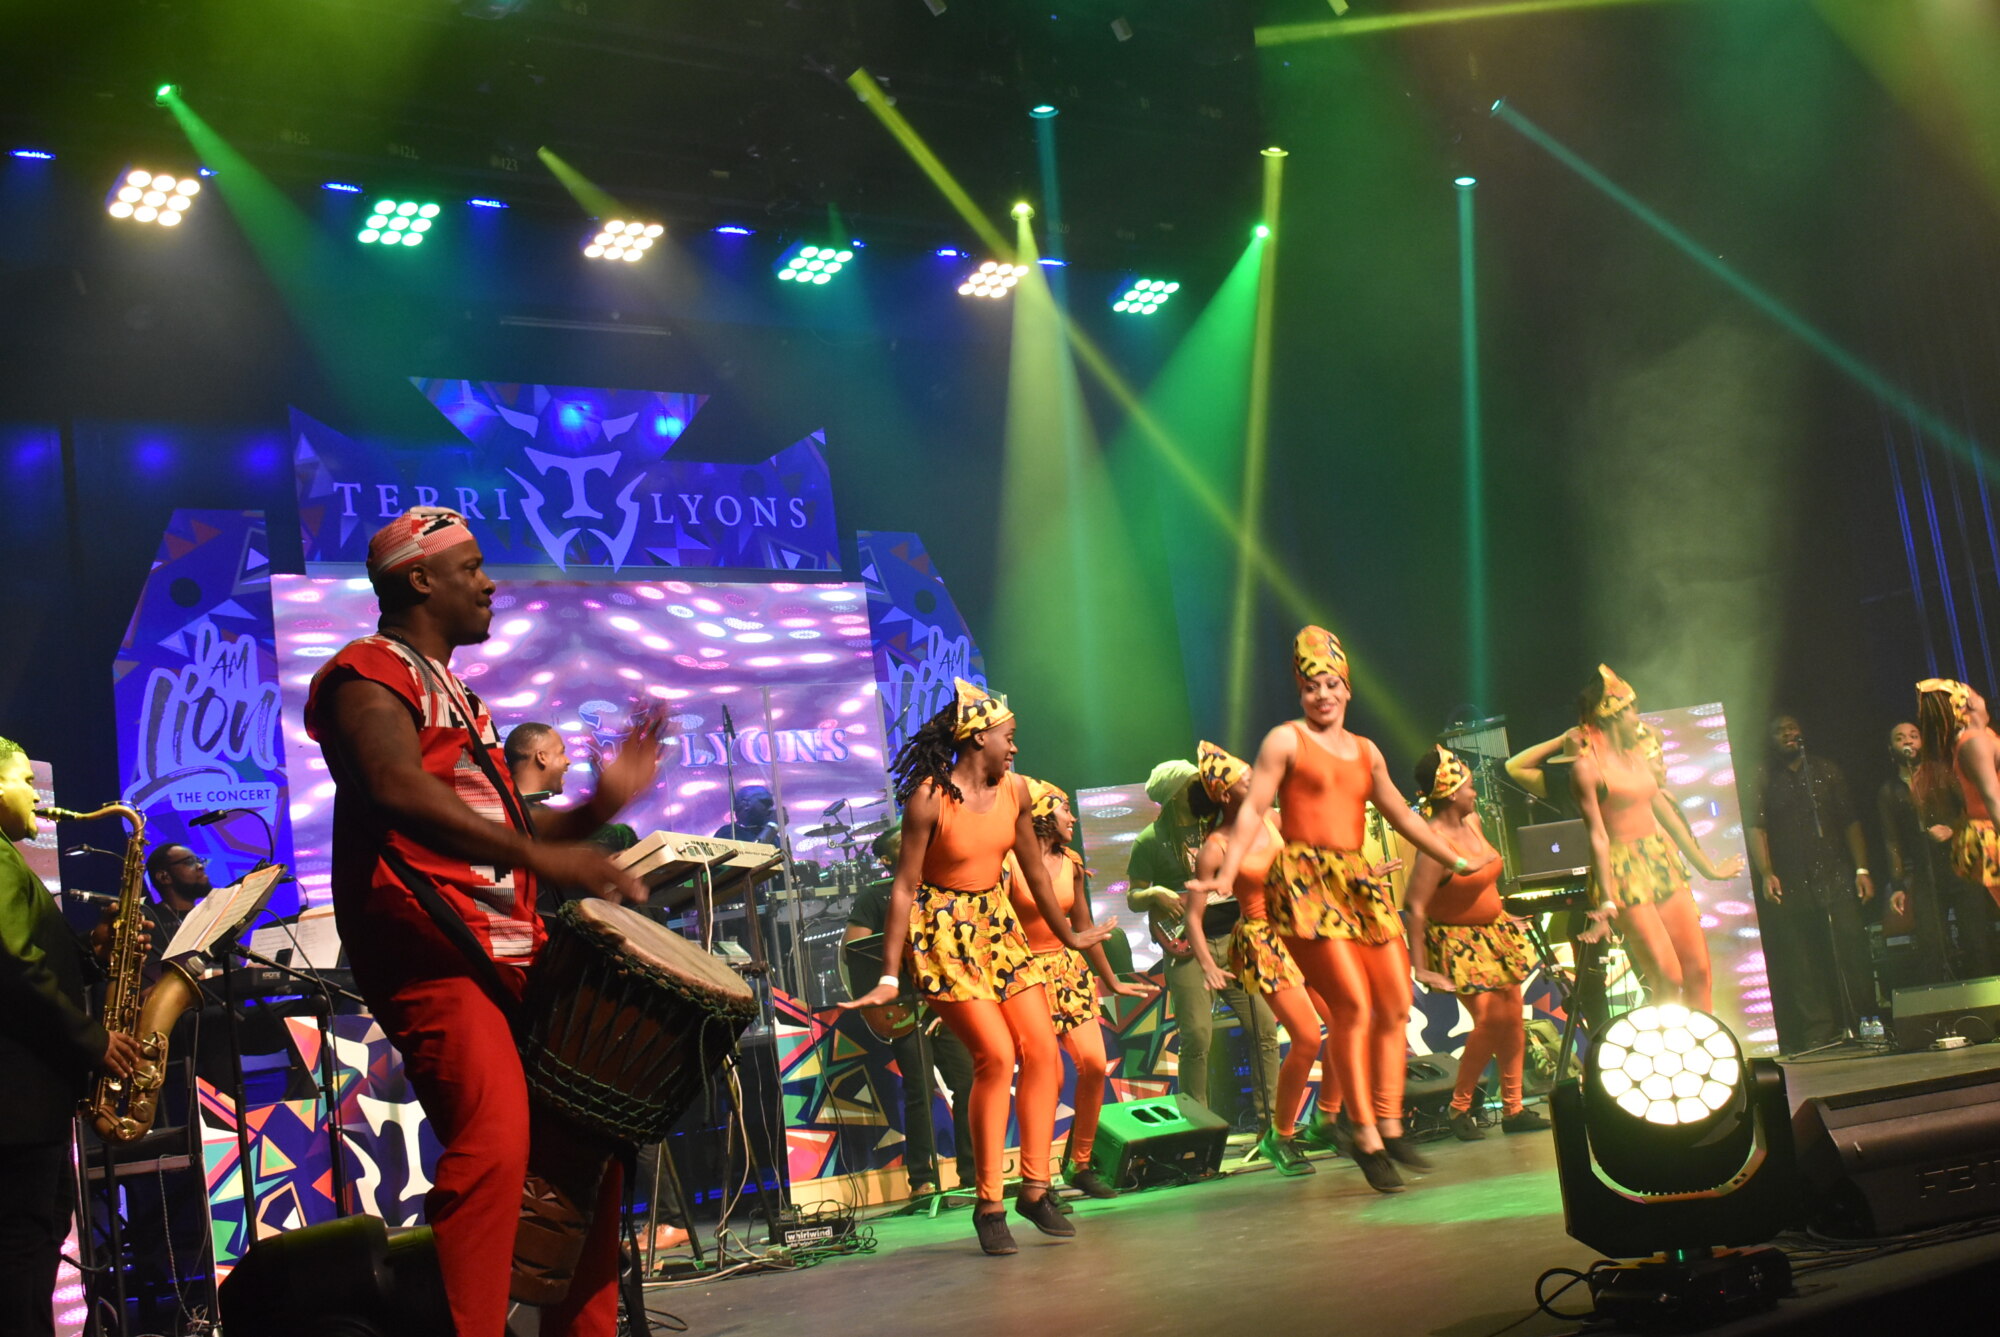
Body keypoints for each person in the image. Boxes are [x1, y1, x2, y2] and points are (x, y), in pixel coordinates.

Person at [303, 507, 663, 1337]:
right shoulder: (367, 670)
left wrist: (599, 807)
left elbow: (511, 820)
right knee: (496, 1145)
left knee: (587, 1150)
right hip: (433, 950)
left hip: (503, 949)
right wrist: (544, 860)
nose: (489, 581)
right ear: (419, 579)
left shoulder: (461, 698)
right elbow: (394, 785)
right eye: (470, 567)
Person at [1191, 626, 1493, 1194]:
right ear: (1300, 693)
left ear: (1347, 688)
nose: (1322, 694)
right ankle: (1364, 1135)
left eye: (1330, 684)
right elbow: (1254, 809)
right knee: (1351, 1007)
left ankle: (1389, 1123)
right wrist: (1226, 874)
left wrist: (1451, 856)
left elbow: (1400, 813)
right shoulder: (1285, 741)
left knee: (1396, 1003)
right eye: (1311, 686)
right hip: (1305, 882)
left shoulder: (1366, 750)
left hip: (1355, 880)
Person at [837, 679, 1116, 1256]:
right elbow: (904, 887)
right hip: (944, 934)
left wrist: (1070, 935)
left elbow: (1035, 875)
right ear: (977, 737)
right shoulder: (929, 798)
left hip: (999, 928)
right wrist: (888, 975)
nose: (1015, 747)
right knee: (996, 1055)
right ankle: (989, 1203)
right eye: (1008, 737)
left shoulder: (1016, 791)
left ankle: (1035, 1188)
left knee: (1044, 1053)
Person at [0, 735, 143, 1337]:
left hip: (27, 1107)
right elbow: (13, 964)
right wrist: (94, 1041)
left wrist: (93, 951)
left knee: (34, 1246)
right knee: (22, 1253)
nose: (38, 796)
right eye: (26, 781)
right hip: (18, 1109)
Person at [1184, 741, 1340, 1178]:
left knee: (1345, 1024)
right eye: (1247, 781)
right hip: (1263, 942)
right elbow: (1193, 916)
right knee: (1306, 1037)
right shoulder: (1216, 846)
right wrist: (1208, 964)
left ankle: (1328, 1120)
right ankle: (1280, 1135)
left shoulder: (1273, 820)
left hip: (1301, 932)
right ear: (1224, 794)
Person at [1572, 666, 1744, 1015]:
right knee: (1668, 977)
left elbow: (1667, 814)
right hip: (1623, 872)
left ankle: (1703, 1043)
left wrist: (1708, 869)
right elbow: (1598, 837)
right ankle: (1667, 1045)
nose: (1637, 717)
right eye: (1630, 710)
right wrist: (1606, 900)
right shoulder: (1587, 768)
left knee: (1698, 971)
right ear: (1611, 716)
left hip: (1658, 860)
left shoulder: (1636, 755)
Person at [1009, 778, 1146, 1199]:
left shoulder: (1071, 862)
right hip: (1026, 976)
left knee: (1093, 1062)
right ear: (1043, 815)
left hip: (1068, 972)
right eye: (1065, 809)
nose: (1072, 818)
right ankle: (1037, 1179)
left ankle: (1080, 1163)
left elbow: (1083, 926)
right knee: (1045, 1075)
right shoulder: (1008, 863)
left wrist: (1112, 978)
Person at [1125, 759, 1281, 1127]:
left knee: (1265, 1028)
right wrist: (1155, 894)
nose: (1202, 786)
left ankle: (1274, 1125)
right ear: (1175, 794)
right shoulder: (1149, 840)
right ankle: (1200, 1128)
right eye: (1193, 782)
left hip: (1234, 940)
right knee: (1196, 1037)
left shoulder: (1214, 824)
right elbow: (1133, 896)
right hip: (1186, 950)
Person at [1404, 746, 1547, 1140]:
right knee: (1490, 1020)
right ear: (1451, 793)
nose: (1475, 791)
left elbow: (1485, 880)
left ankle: (1514, 1109)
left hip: (1494, 932)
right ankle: (1459, 1106)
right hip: (1456, 939)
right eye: (1469, 785)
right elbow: (1414, 906)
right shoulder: (1434, 844)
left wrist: (1499, 912)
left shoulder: (1474, 821)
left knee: (1512, 1018)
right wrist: (1421, 967)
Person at [841, 823, 976, 1199]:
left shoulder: (941, 889)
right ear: (887, 860)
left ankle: (973, 1174)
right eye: (902, 843)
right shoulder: (875, 897)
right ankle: (921, 1180)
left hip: (946, 1003)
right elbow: (855, 952)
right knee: (920, 1089)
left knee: (967, 1083)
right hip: (905, 1007)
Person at [1747, 713, 1876, 1051]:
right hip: (1791, 878)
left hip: (1834, 872)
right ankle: (1818, 1028)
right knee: (1802, 958)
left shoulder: (1826, 770)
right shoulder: (1763, 777)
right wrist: (1766, 872)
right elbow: (1757, 827)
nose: (1787, 734)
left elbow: (1850, 820)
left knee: (1851, 947)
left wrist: (1862, 870)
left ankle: (1865, 1018)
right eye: (1779, 731)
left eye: (1792, 728)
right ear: (1771, 740)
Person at [1882, 720, 1995, 985]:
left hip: (1961, 867)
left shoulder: (1942, 774)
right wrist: (1897, 884)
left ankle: (1987, 1001)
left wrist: (1953, 829)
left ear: (1922, 743)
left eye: (1913, 736)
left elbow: (1973, 809)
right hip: (1926, 874)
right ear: (1891, 748)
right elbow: (1891, 839)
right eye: (1900, 738)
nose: (1908, 741)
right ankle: (1939, 1004)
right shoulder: (1889, 791)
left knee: (1976, 939)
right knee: (1931, 944)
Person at [1917, 678, 2000, 914]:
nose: (1981, 697)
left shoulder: (1982, 736)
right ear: (1968, 703)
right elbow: (1992, 797)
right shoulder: (1974, 742)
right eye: (1975, 692)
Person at [713, 784, 779, 845]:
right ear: (746, 804)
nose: (771, 809)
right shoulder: (728, 833)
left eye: (771, 805)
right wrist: (772, 827)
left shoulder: (775, 838)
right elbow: (753, 852)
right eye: (766, 803)